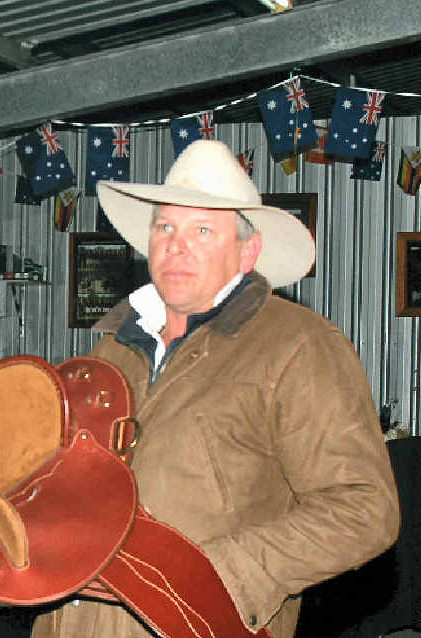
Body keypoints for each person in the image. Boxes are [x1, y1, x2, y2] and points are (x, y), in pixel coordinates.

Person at [29, 139, 400, 638]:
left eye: (203, 229)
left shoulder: (298, 347)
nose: (176, 245)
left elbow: (363, 508)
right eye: (165, 227)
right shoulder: (108, 352)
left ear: (249, 251)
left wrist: (211, 572)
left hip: (202, 623)